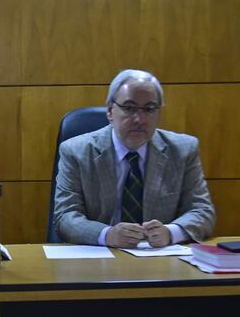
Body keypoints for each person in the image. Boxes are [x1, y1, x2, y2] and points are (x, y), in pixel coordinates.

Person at [53, 69, 215, 247]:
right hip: (99, 258)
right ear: (110, 111)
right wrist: (108, 235)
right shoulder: (76, 151)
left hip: (160, 259)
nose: (140, 119)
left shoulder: (183, 150)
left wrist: (171, 232)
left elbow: (202, 211)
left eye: (149, 109)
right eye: (129, 108)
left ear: (159, 114)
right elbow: (65, 217)